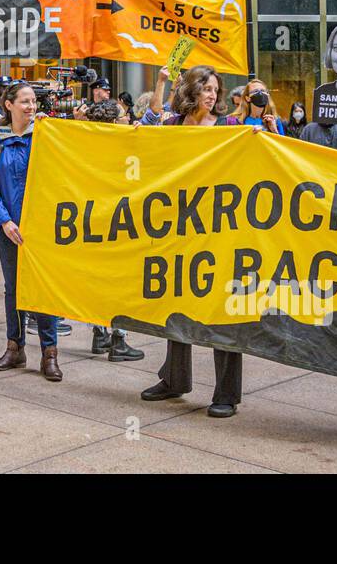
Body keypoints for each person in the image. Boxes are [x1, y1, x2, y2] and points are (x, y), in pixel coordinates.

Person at [140, 66, 243, 413]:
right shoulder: (172, 125)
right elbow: (148, 147)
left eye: (216, 89)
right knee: (175, 303)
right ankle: (174, 379)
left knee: (222, 308)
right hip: (178, 226)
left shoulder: (230, 128)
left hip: (220, 228)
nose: (212, 95)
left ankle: (226, 394)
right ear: (192, 91)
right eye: (205, 88)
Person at [0, 81, 64, 380]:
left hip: (41, 227)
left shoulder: (45, 134)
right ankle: (15, 347)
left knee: (43, 288)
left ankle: (49, 353)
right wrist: (3, 220)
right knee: (14, 289)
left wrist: (51, 132)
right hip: (9, 228)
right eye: (25, 101)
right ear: (9, 105)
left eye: (34, 102)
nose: (31, 106)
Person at [81, 98, 145, 361]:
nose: (128, 118)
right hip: (119, 222)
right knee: (121, 281)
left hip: (92, 222)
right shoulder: (123, 147)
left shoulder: (85, 147)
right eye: (122, 117)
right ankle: (119, 338)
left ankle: (99, 334)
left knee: (97, 280)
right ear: (113, 122)